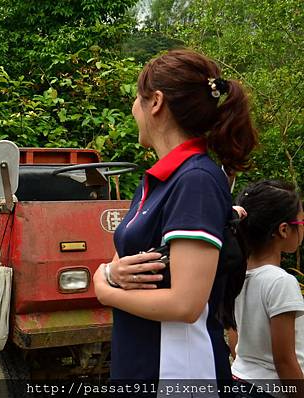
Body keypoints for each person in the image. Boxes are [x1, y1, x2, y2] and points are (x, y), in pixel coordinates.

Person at [92, 49, 258, 386]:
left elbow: (186, 304)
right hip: (141, 365)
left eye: (137, 99)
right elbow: (123, 259)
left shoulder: (195, 181)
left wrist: (103, 288)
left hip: (177, 373)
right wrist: (110, 272)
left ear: (156, 102)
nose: (132, 108)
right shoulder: (157, 180)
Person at [228, 180, 303, 395]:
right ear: (284, 230)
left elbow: (233, 337)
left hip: (240, 380)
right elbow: (284, 361)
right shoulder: (281, 282)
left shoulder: (236, 274)